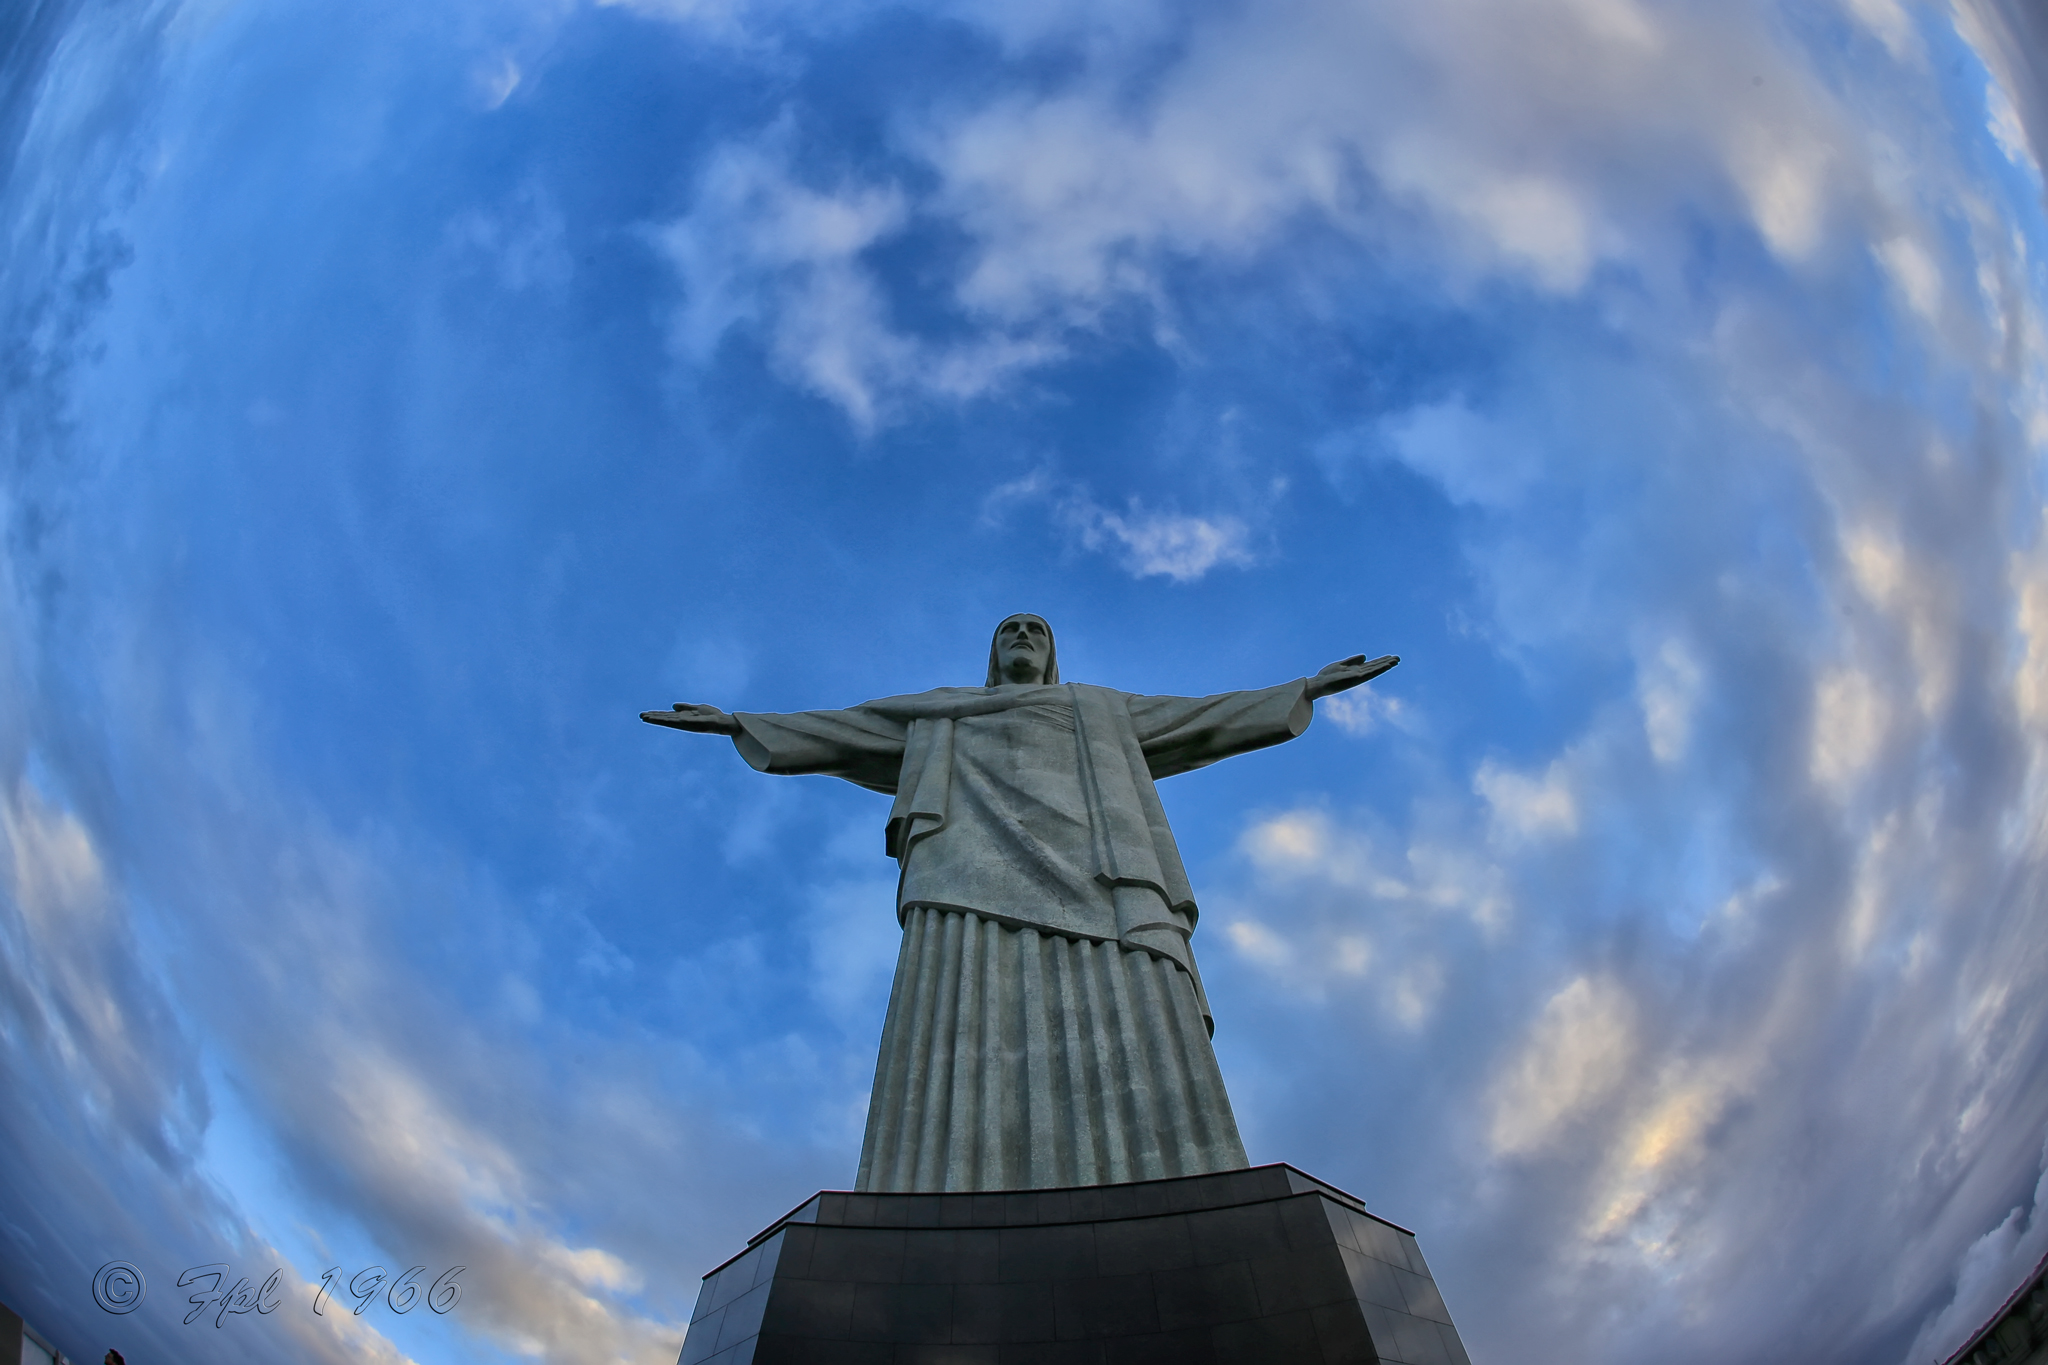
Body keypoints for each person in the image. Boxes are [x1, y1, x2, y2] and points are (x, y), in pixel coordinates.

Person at [645, 614, 1395, 1192]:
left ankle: (1171, 1183)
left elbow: (1201, 718)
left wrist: (1302, 690)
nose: (1024, 639)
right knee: (964, 1007)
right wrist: (739, 722)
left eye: (1036, 630)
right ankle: (939, 1186)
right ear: (993, 652)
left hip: (1102, 878)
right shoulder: (942, 712)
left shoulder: (1096, 708)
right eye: (1011, 630)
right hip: (963, 878)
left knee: (1133, 1004)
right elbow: (844, 729)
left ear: (1053, 652)